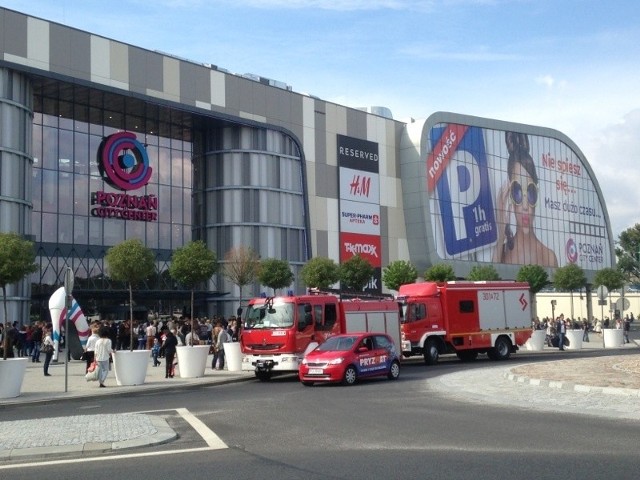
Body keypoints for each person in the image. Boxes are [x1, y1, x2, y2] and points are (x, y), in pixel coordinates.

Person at [493, 132, 558, 267]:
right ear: (510, 195)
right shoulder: (503, 253)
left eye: (530, 192)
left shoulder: (549, 257)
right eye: (517, 191)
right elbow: (490, 280)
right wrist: (500, 237)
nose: (525, 206)